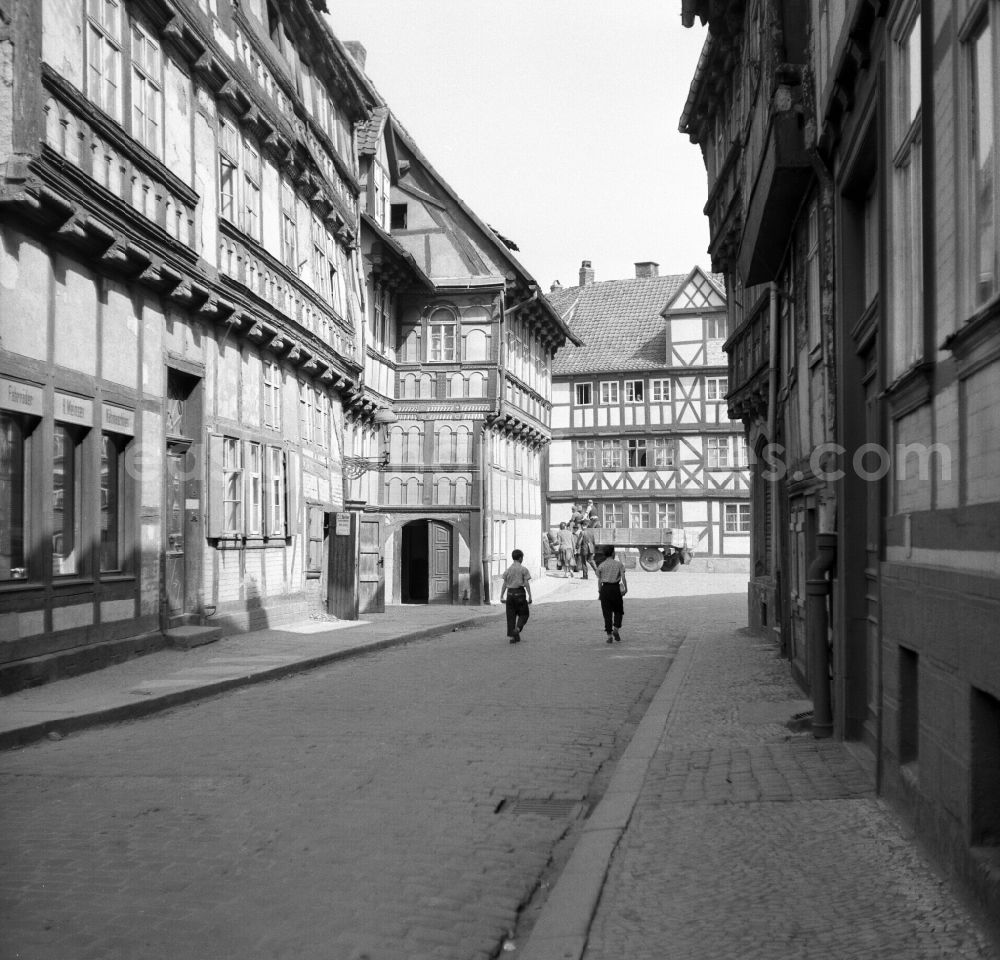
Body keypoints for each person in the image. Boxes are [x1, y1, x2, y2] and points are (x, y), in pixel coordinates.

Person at [500, 548, 532, 643]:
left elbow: (505, 583)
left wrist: (501, 595)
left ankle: (513, 637)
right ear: (520, 558)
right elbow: (526, 583)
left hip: (510, 594)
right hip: (520, 594)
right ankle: (517, 629)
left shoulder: (508, 570)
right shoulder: (523, 569)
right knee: (524, 614)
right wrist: (530, 595)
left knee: (511, 616)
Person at [596, 546, 627, 643]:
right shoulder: (619, 564)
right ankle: (616, 629)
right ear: (613, 553)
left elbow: (599, 581)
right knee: (618, 610)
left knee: (607, 613)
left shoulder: (601, 565)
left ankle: (609, 636)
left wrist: (600, 592)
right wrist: (626, 588)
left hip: (605, 589)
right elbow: (623, 577)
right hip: (615, 589)